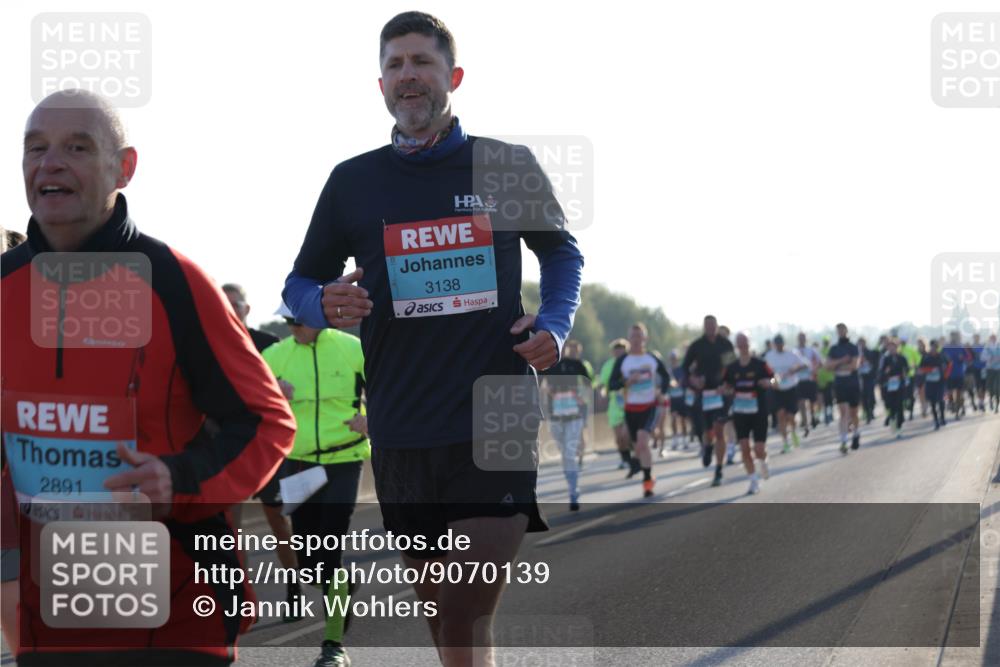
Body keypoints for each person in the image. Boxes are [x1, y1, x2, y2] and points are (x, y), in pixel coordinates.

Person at [280, 13, 584, 666]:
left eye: (422, 62)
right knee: (445, 622)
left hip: (494, 410)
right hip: (401, 424)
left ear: (454, 77)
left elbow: (561, 252)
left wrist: (555, 323)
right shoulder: (353, 182)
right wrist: (319, 301)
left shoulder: (503, 164)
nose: (408, 75)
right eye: (395, 65)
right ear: (381, 84)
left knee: (466, 603)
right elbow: (299, 279)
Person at [2, 89, 295, 666]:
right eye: (35, 149)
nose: (50, 163)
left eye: (77, 148)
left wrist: (176, 479)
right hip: (50, 622)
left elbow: (266, 423)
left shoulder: (174, 282)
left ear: (124, 168)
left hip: (178, 615)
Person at [262, 307, 371, 666]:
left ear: (321, 319)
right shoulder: (275, 356)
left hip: (344, 460)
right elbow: (247, 406)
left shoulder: (352, 348)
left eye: (300, 321)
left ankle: (333, 646)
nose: (295, 328)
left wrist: (371, 421)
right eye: (290, 321)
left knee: (330, 545)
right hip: (300, 465)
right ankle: (340, 583)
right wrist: (273, 396)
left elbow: (390, 390)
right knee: (310, 566)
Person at [221, 283, 303, 620]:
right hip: (226, 449)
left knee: (278, 521)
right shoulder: (209, 344)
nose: (230, 310)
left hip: (266, 448)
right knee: (229, 530)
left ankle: (293, 587)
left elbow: (293, 391)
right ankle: (236, 599)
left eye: (235, 304)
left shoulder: (269, 344)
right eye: (223, 305)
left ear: (247, 309)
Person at [607, 323, 671, 497]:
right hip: (630, 408)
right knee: (632, 442)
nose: (636, 340)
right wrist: (627, 382)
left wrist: (661, 392)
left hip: (649, 406)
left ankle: (647, 482)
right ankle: (640, 466)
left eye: (639, 336)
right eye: (633, 336)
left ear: (645, 338)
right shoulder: (623, 360)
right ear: (629, 339)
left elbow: (666, 376)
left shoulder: (651, 358)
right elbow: (612, 384)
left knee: (643, 441)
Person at [681, 315, 736, 487]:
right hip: (703, 393)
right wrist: (693, 380)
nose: (711, 328)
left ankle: (718, 469)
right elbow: (684, 368)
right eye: (707, 325)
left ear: (717, 326)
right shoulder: (697, 345)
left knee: (719, 430)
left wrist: (727, 384)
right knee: (705, 430)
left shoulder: (724, 344)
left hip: (720, 393)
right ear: (704, 327)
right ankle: (707, 446)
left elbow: (732, 368)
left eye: (713, 325)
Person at [541, 341, 594, 510]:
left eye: (562, 345)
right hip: (555, 417)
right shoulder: (547, 365)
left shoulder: (576, 365)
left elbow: (588, 385)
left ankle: (573, 491)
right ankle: (572, 484)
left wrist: (582, 398)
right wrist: (547, 391)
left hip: (574, 415)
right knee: (565, 453)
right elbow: (540, 385)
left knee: (569, 453)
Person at [722, 333, 775, 495]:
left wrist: (768, 382)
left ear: (749, 344)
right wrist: (725, 389)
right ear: (736, 346)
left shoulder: (760, 363)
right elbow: (726, 385)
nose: (743, 346)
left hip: (759, 411)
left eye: (745, 342)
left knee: (759, 449)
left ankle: (763, 461)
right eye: (740, 343)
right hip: (740, 412)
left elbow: (774, 378)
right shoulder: (732, 367)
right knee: (744, 448)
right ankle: (753, 481)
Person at [763, 335, 807, 453]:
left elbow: (804, 365)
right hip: (777, 390)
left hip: (791, 388)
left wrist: (794, 369)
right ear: (774, 344)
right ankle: (785, 442)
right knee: (780, 415)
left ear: (784, 343)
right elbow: (766, 376)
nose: (779, 346)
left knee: (790, 417)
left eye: (781, 344)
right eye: (777, 344)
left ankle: (793, 432)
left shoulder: (792, 354)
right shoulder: (769, 356)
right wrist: (773, 382)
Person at [826, 323, 862, 453]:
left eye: (842, 330)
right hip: (840, 384)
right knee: (843, 413)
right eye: (838, 330)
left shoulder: (853, 347)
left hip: (852, 383)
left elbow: (854, 366)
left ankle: (856, 433)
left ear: (846, 330)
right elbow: (827, 366)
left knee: (854, 413)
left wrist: (837, 366)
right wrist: (841, 361)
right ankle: (843, 441)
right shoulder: (834, 349)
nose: (841, 332)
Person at [598, 339, 633, 470]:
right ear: (613, 352)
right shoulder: (608, 365)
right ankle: (625, 459)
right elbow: (602, 385)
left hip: (630, 402)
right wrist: (602, 394)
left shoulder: (630, 362)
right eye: (616, 350)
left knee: (626, 435)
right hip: (615, 404)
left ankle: (633, 455)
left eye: (621, 350)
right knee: (619, 438)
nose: (618, 352)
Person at [879, 338, 910, 437]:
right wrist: (886, 373)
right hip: (889, 387)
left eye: (894, 347)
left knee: (899, 406)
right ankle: (892, 421)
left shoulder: (902, 358)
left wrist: (904, 375)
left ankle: (899, 427)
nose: (892, 349)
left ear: (897, 348)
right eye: (890, 347)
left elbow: (907, 370)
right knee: (891, 407)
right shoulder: (885, 359)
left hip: (900, 385)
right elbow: (880, 373)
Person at [919, 339, 950, 429]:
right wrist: (930, 370)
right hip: (929, 382)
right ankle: (936, 420)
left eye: (935, 347)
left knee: (941, 400)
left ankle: (942, 418)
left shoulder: (942, 356)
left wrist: (946, 374)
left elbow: (949, 364)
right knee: (932, 402)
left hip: (940, 382)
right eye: (932, 347)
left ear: (937, 348)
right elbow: (921, 368)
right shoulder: (926, 357)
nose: (933, 349)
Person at [795, 332, 822, 433]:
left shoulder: (812, 350)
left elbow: (820, 363)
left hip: (810, 379)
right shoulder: (794, 351)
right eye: (800, 337)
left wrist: (815, 370)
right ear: (798, 339)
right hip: (799, 380)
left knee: (812, 402)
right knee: (801, 402)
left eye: (803, 337)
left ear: (806, 339)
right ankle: (805, 423)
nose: (802, 339)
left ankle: (813, 416)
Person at [667, 350, 689, 451]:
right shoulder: (668, 371)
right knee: (673, 419)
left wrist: (677, 383)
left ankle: (685, 440)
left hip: (682, 398)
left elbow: (682, 382)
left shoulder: (681, 370)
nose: (673, 360)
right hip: (673, 399)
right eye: (671, 359)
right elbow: (667, 384)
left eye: (674, 358)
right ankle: (675, 440)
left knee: (683, 420)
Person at [857, 337, 880, 424]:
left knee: (870, 394)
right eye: (860, 343)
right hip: (860, 378)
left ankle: (871, 411)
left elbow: (876, 359)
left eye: (862, 343)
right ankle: (866, 413)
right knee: (863, 396)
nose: (861, 345)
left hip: (869, 377)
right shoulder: (856, 353)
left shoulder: (870, 352)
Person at [983, 334, 1000, 414]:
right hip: (990, 370)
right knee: (990, 388)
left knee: (997, 388)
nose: (993, 339)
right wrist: (990, 358)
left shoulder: (998, 346)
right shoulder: (987, 348)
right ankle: (991, 401)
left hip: (998, 370)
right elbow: (982, 357)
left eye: (994, 338)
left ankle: (997, 406)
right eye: (992, 338)